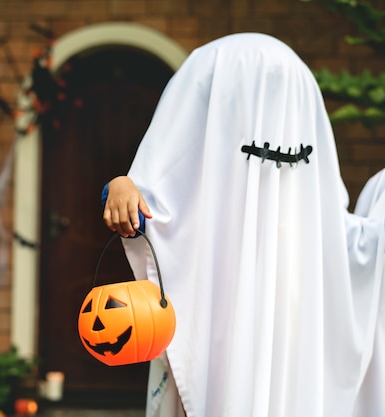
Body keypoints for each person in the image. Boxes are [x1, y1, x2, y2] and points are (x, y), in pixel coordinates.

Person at [102, 33, 385, 417]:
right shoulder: (206, 199)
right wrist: (121, 190)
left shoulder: (312, 213)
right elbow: (151, 214)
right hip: (219, 336)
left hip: (290, 345)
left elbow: (354, 251)